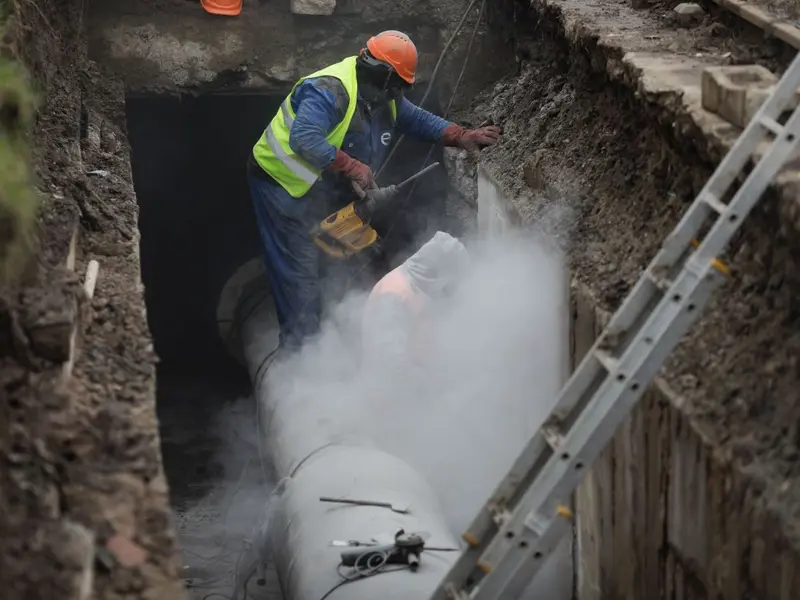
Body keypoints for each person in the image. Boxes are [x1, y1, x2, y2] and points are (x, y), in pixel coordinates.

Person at [247, 30, 501, 352]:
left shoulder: (384, 96)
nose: (398, 94)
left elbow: (416, 119)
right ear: (383, 76)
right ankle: (301, 356)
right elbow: (304, 139)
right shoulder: (330, 91)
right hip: (281, 185)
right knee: (299, 274)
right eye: (396, 86)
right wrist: (351, 166)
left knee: (339, 262)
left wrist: (459, 134)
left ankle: (338, 331)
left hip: (320, 184)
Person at [361, 231, 470, 378]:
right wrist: (420, 380)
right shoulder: (393, 294)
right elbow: (389, 354)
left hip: (414, 379)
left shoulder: (419, 284)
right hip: (393, 391)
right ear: (438, 270)